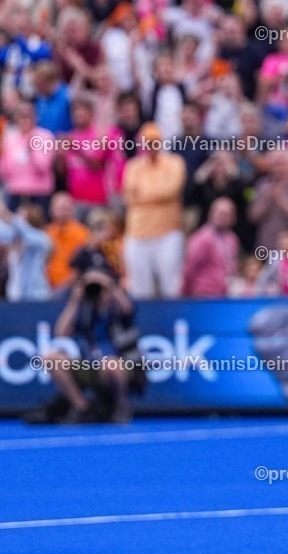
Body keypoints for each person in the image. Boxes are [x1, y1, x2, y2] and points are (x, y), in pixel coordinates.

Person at [25, 268, 144, 424]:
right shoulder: (85, 310)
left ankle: (122, 406)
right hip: (91, 365)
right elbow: (61, 332)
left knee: (110, 363)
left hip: (123, 366)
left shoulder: (117, 308)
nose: (97, 292)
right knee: (51, 358)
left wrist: (106, 283)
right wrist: (74, 301)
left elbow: (127, 308)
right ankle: (82, 407)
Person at [122, 122, 187, 298]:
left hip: (167, 233)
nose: (151, 145)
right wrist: (157, 194)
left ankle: (173, 323)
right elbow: (129, 195)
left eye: (154, 141)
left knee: (171, 287)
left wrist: (143, 194)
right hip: (137, 232)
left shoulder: (175, 163)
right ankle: (143, 324)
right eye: (147, 141)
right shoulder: (133, 166)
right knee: (140, 289)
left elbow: (171, 190)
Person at [181, 197, 240, 298]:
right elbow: (189, 269)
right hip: (203, 295)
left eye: (227, 214)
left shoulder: (232, 239)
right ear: (211, 214)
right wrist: (184, 295)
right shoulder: (201, 239)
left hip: (224, 294)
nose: (222, 217)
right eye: (219, 213)